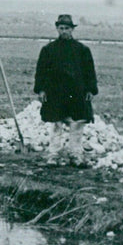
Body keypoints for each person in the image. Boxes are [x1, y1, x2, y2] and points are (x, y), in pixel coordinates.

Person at [33, 14, 98, 167]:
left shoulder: (82, 50)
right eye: (61, 28)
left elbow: (90, 71)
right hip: (55, 93)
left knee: (76, 124)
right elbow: (41, 71)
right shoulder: (48, 50)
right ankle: (53, 155)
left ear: (72, 29)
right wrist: (41, 90)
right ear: (57, 29)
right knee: (56, 124)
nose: (64, 31)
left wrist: (90, 90)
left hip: (77, 93)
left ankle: (75, 155)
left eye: (67, 28)